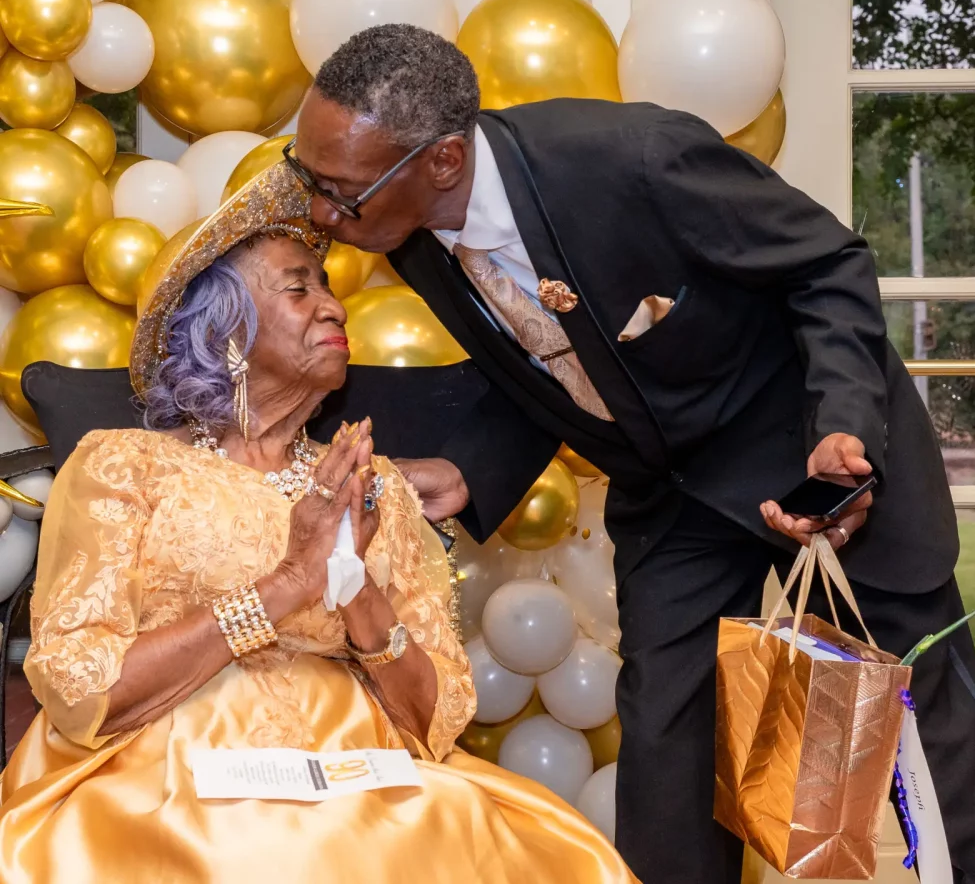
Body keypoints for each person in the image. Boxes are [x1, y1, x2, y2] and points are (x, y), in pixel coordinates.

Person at [289, 24, 975, 884]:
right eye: (311, 181)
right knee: (664, 747)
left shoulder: (636, 159)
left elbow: (827, 264)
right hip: (674, 493)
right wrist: (471, 469)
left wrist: (843, 428)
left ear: (444, 160)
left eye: (343, 193)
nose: (322, 213)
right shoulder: (407, 226)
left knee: (926, 725)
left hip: (816, 457)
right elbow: (550, 358)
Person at [0, 164, 638, 884]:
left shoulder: (373, 491)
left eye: (328, 287)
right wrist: (285, 585)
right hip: (173, 771)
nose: (332, 307)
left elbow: (437, 723)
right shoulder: (123, 466)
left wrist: (355, 588)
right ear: (226, 327)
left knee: (519, 848)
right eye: (298, 287)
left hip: (365, 777)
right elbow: (83, 687)